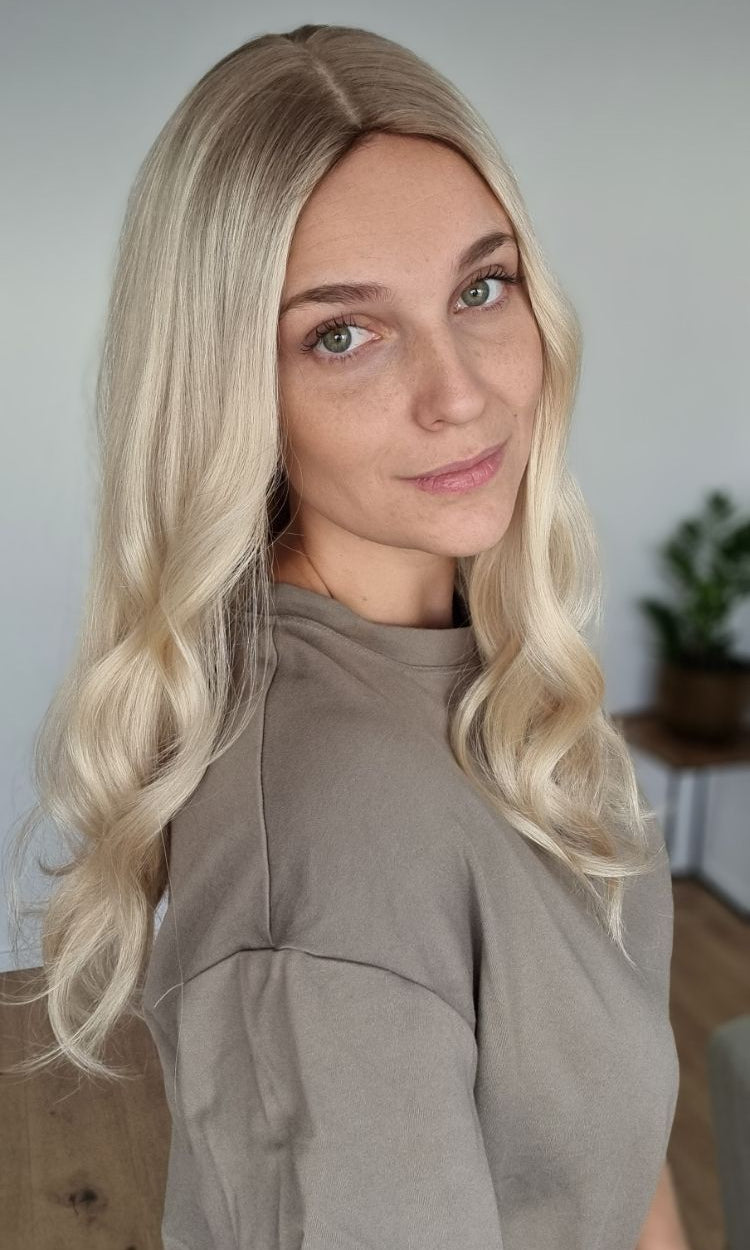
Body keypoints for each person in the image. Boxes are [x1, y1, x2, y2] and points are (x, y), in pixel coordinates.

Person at [3, 22, 688, 1250]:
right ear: (230, 391)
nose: (461, 391)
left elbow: (625, 1147)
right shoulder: (332, 847)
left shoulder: (499, 659)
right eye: (343, 333)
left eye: (481, 288)